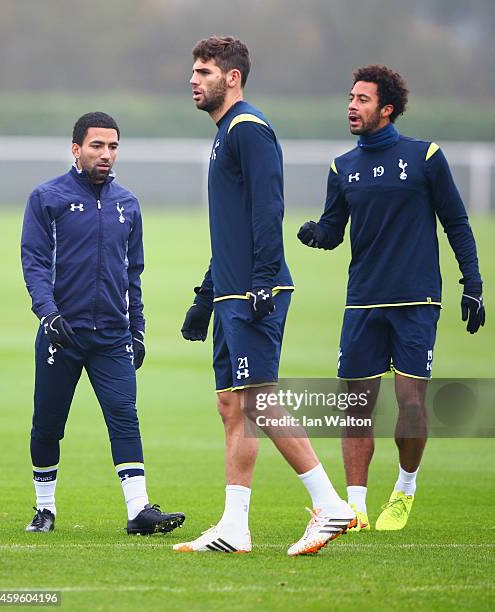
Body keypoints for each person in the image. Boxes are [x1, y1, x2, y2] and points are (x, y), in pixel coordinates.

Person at [175, 36, 355, 557]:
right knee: (232, 405)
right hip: (231, 291)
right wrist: (206, 295)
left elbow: (268, 208)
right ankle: (235, 528)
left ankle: (331, 505)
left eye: (205, 71)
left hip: (257, 288)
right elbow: (229, 226)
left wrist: (259, 279)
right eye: (193, 69)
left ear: (232, 78)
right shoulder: (223, 133)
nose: (194, 78)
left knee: (258, 400)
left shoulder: (249, 128)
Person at [298, 65, 485, 531]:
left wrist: (473, 284)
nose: (351, 106)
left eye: (362, 99)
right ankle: (355, 506)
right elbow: (333, 230)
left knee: (411, 403)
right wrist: (316, 235)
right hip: (362, 300)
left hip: (416, 299)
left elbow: (457, 223)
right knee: (357, 407)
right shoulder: (342, 167)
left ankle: (404, 489)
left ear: (386, 108)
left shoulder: (425, 157)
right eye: (349, 98)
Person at [21, 112, 185, 535]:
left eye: (113, 146)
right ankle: (44, 509)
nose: (106, 154)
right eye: (97, 146)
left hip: (113, 336)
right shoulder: (47, 198)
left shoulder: (127, 204)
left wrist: (139, 329)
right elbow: (35, 263)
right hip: (63, 334)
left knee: (124, 416)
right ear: (76, 149)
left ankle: (138, 511)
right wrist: (48, 313)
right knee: (48, 422)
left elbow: (133, 274)